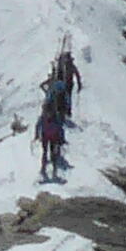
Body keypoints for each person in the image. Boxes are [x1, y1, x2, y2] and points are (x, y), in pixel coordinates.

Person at [34, 40, 81, 182]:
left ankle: (43, 168)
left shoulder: (52, 87)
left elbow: (38, 123)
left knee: (45, 150)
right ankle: (54, 169)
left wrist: (36, 135)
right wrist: (68, 108)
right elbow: (67, 97)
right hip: (58, 118)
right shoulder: (64, 84)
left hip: (45, 132)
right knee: (55, 147)